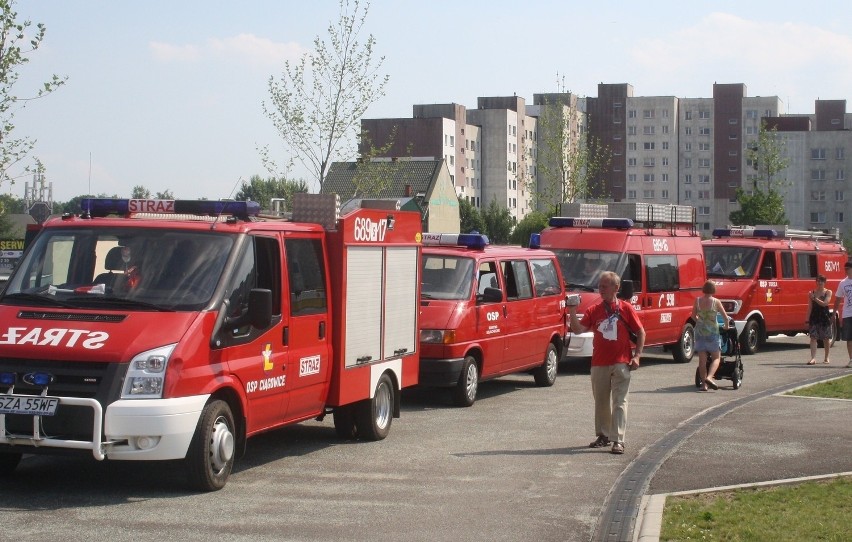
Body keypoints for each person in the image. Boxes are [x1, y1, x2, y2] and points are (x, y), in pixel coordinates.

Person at [568, 271, 645, 455]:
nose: (600, 289)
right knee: (601, 402)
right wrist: (572, 310)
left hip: (621, 362)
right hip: (599, 363)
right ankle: (603, 435)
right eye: (600, 286)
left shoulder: (626, 309)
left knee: (619, 401)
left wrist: (637, 356)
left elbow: (641, 332)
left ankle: (618, 440)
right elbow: (578, 329)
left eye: (604, 286)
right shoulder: (594, 310)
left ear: (616, 288)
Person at [692, 280, 729, 391]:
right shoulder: (716, 302)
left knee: (702, 361)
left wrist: (700, 320)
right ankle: (709, 377)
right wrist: (726, 326)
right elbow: (725, 317)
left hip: (700, 333)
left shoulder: (697, 301)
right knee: (716, 358)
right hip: (712, 333)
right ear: (713, 290)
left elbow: (693, 316)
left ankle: (704, 385)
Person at [805, 275, 833, 365]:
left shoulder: (828, 292)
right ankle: (813, 358)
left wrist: (815, 298)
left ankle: (826, 357)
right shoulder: (811, 293)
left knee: (826, 338)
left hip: (824, 317)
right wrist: (807, 319)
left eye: (822, 281)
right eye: (818, 281)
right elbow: (810, 307)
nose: (820, 283)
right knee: (813, 338)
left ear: (825, 282)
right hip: (814, 317)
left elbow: (825, 303)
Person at [833, 261, 852, 368]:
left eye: (848, 269)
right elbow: (838, 299)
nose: (846, 271)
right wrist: (834, 312)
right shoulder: (843, 283)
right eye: (845, 269)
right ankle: (851, 359)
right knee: (849, 339)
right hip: (847, 313)